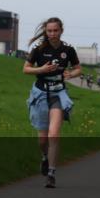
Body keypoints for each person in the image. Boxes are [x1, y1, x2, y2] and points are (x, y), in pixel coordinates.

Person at [23, 17, 81, 189]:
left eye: (55, 30)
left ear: (61, 30)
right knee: (42, 139)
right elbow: (25, 69)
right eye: (49, 31)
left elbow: (78, 68)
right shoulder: (39, 48)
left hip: (58, 94)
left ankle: (51, 174)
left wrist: (71, 74)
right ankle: (45, 157)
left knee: (53, 135)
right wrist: (41, 70)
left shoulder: (68, 49)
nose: (52, 34)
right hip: (41, 94)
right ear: (46, 31)